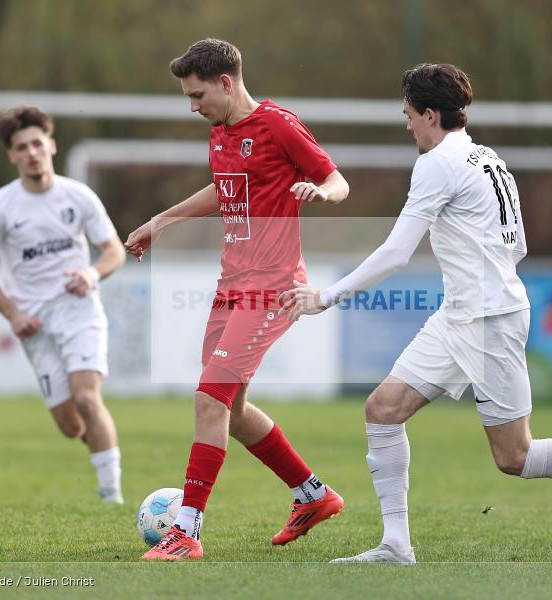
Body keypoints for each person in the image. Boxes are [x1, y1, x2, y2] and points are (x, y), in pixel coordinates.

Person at [279, 63, 552, 563]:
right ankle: (395, 545)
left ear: (430, 114)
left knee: (515, 456)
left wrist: (325, 297)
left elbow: (395, 253)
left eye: (408, 116)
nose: (407, 126)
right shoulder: (487, 157)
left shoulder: (437, 163)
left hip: (489, 319)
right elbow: (518, 244)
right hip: (465, 313)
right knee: (382, 410)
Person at [124, 38, 350, 561]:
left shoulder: (278, 125)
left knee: (209, 399)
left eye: (198, 94)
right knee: (231, 407)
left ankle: (186, 530)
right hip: (233, 286)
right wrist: (161, 222)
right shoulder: (222, 132)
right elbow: (224, 190)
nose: (193, 105)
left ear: (227, 82)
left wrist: (322, 193)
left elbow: (335, 179)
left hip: (273, 287)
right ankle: (313, 496)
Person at [0, 105, 127, 504]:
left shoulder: (78, 196)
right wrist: (13, 314)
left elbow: (113, 251)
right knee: (70, 424)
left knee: (88, 398)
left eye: (37, 143)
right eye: (22, 147)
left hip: (78, 310)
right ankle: (97, 441)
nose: (31, 152)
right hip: (33, 323)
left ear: (51, 145)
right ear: (12, 155)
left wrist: (91, 275)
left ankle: (112, 497)